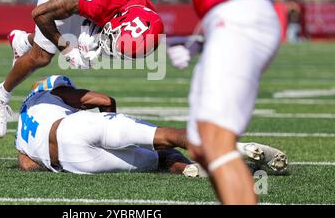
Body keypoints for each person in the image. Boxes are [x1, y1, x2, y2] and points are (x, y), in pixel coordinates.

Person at [84, 0, 281, 204]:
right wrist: (203, 39)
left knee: (216, 143)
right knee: (201, 146)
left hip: (238, 20)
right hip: (236, 17)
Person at [0, 0, 164, 138]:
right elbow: (39, 15)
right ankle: (0, 93)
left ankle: (23, 41)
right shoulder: (97, 0)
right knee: (42, 55)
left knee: (81, 41)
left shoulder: (144, 9)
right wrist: (67, 49)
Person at [15, 75, 288, 176]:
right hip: (74, 127)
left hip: (71, 162)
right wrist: (109, 122)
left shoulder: (23, 127)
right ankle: (239, 148)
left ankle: (188, 169)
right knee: (169, 137)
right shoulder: (50, 93)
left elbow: (27, 165)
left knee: (157, 161)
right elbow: (103, 99)